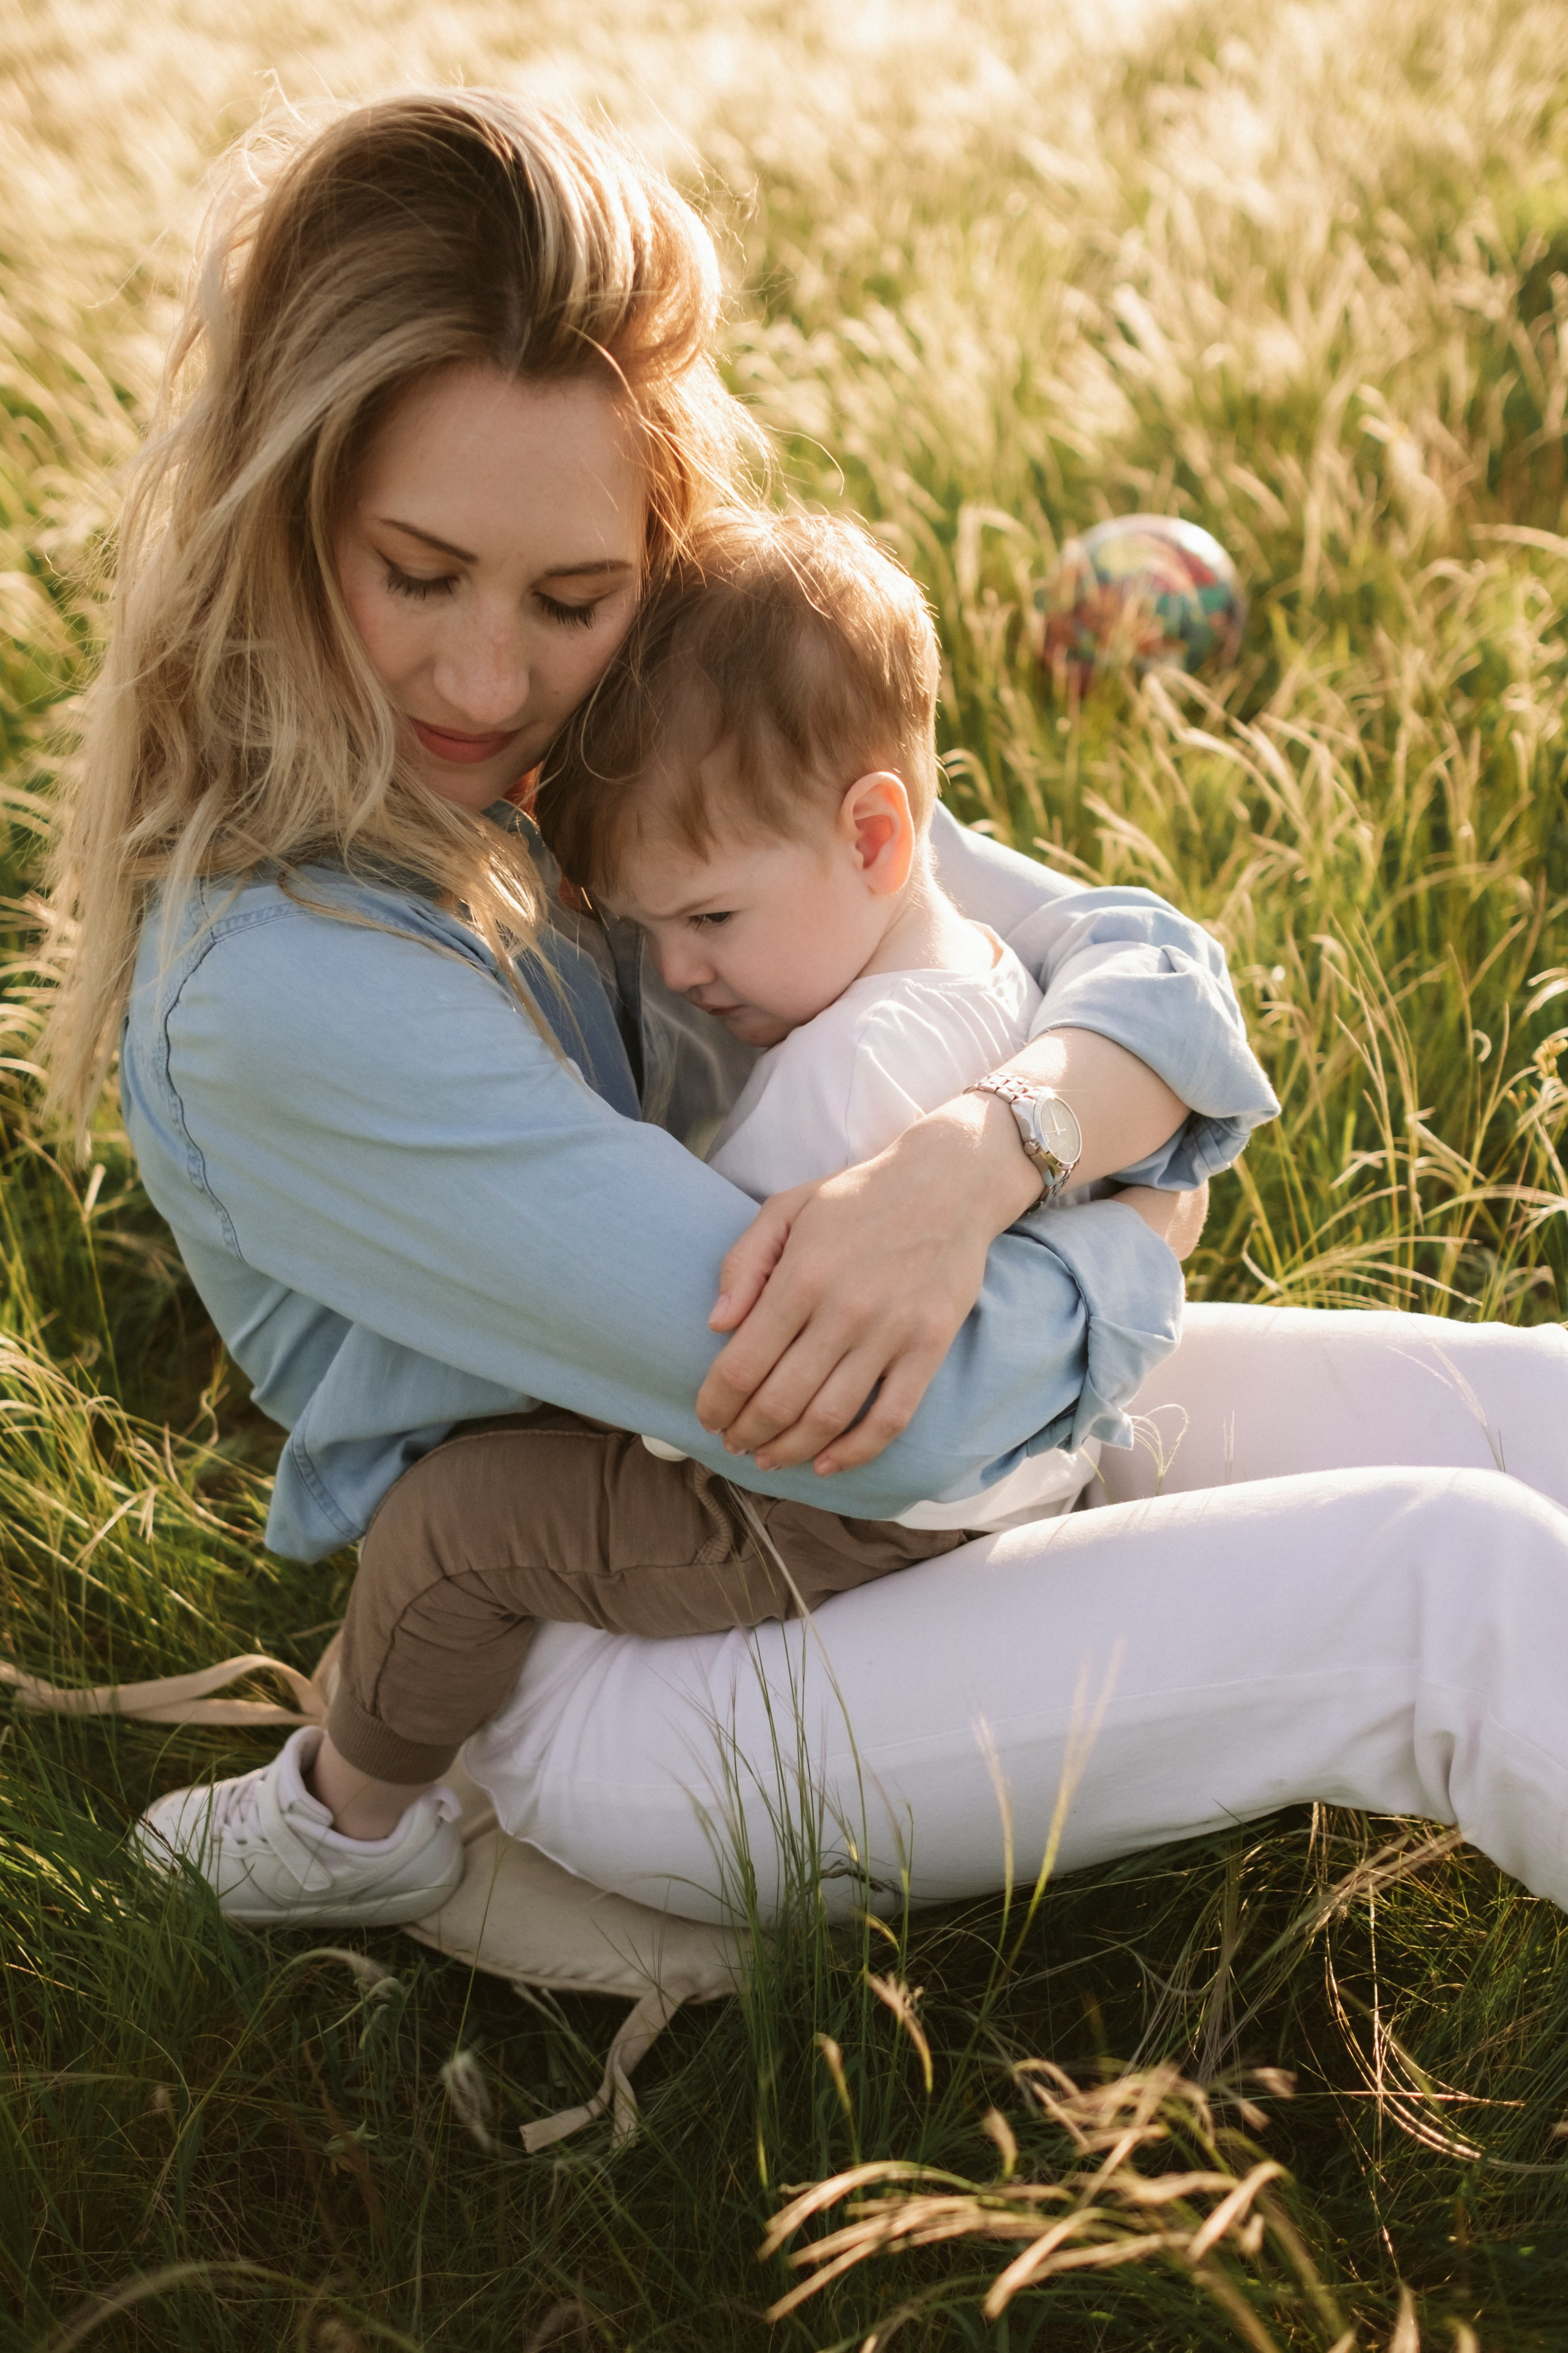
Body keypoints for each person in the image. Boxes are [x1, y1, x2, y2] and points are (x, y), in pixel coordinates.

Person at [42, 89, 1568, 1937]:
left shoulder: (631, 722)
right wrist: (1130, 1201)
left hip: (915, 1459)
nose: (488, 675)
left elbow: (1141, 959)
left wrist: (979, 1154)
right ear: (287, 521)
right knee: (1446, 1582)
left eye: (576, 593)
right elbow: (886, 1407)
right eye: (415, 573)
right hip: (629, 1650)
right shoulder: (281, 988)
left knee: (1525, 1416)